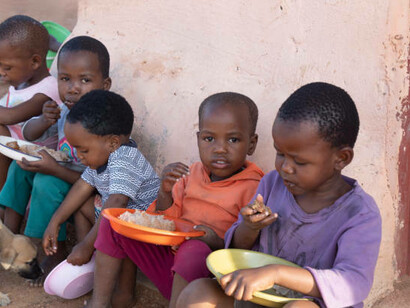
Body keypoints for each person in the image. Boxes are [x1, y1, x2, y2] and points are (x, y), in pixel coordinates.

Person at [177, 82, 382, 308]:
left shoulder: (359, 213)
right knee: (198, 293)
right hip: (257, 299)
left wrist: (276, 274)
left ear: (341, 159)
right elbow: (238, 250)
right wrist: (249, 227)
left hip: (310, 303)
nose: (285, 167)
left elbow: (354, 283)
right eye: (280, 153)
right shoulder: (272, 183)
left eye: (300, 161)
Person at [85, 92, 265, 308]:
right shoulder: (190, 174)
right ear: (198, 139)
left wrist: (215, 241)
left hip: (206, 284)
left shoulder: (255, 187)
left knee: (195, 249)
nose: (220, 148)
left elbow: (248, 247)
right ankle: (100, 303)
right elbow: (165, 222)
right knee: (116, 222)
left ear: (252, 144)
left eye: (233, 140)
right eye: (209, 139)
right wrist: (165, 192)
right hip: (168, 263)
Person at [0, 35, 112, 284]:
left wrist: (52, 169)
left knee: (45, 183)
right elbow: (29, 134)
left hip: (82, 186)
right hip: (59, 170)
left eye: (84, 80)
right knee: (20, 170)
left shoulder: (104, 125)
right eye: (65, 79)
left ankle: (54, 250)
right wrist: (43, 120)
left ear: (105, 85)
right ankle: (10, 234)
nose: (73, 87)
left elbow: (93, 182)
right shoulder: (64, 110)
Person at [43, 89, 161, 306]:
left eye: (83, 150)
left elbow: (117, 203)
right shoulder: (101, 156)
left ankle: (122, 296)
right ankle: (90, 265)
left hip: (137, 227)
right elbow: (82, 186)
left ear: (113, 142)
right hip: (114, 217)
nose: (79, 156)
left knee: (119, 234)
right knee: (82, 205)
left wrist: (89, 244)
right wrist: (55, 221)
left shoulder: (124, 158)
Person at [0, 15, 61, 192]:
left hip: (36, 156)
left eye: (7, 67)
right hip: (14, 148)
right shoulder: (19, 82)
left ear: (35, 61)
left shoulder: (47, 89)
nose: (1, 73)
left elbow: (12, 116)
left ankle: (2, 196)